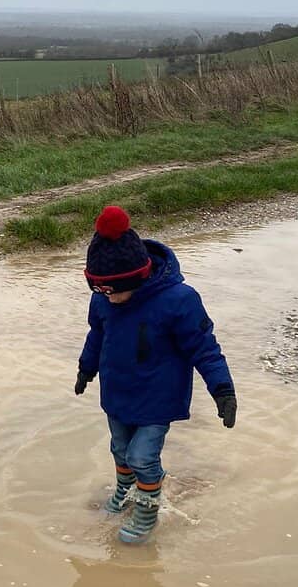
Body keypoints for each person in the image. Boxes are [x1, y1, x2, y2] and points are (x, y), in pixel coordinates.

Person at [75, 205, 236, 544]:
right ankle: (125, 490)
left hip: (158, 397)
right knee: (120, 450)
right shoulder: (104, 299)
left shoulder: (179, 300)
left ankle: (147, 508)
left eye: (113, 291)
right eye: (99, 291)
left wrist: (222, 389)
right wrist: (86, 368)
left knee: (141, 457)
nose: (108, 298)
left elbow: (204, 348)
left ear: (138, 277)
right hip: (117, 391)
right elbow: (97, 335)